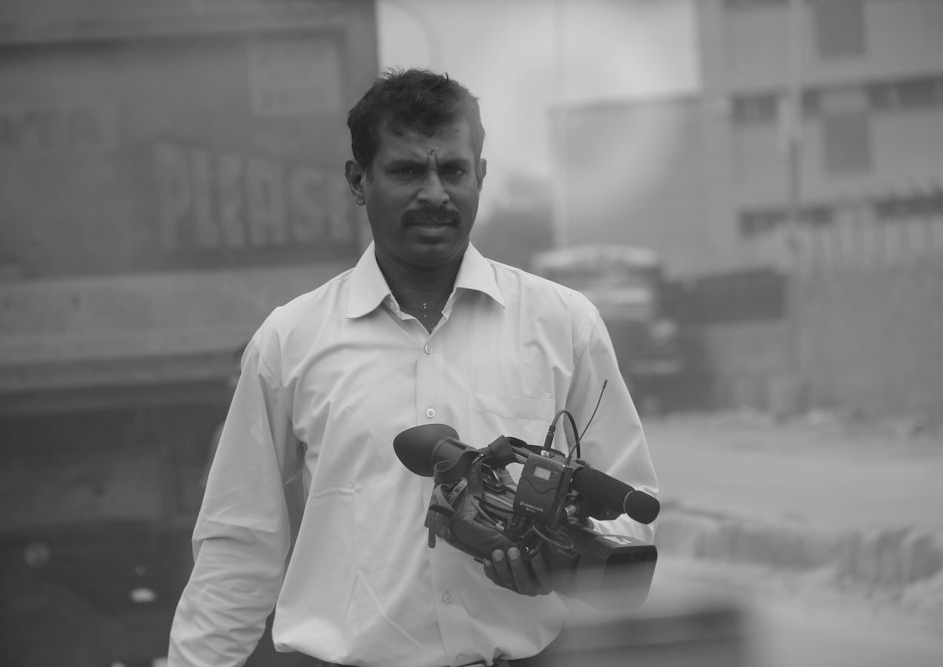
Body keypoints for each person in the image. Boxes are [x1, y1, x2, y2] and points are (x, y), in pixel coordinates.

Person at [168, 67, 658, 667]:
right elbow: (239, 549)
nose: (434, 193)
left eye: (452, 169)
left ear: (480, 175)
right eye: (405, 170)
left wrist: (559, 568)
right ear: (358, 180)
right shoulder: (290, 341)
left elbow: (633, 515)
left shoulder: (563, 324)